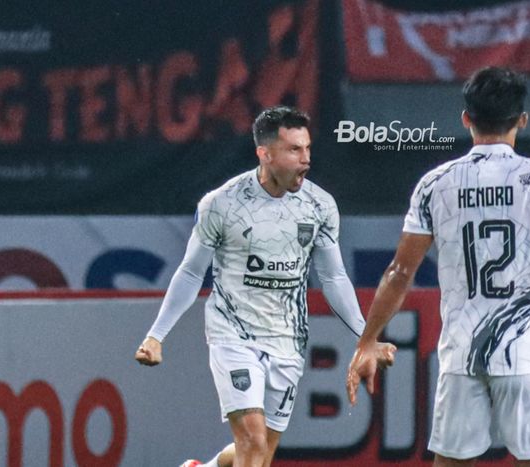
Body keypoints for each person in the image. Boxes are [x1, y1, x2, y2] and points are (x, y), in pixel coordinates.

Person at [346, 67, 530, 467]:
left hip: (462, 356)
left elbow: (398, 273)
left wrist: (368, 340)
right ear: (522, 120)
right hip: (527, 356)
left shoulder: (435, 184)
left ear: (466, 119)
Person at [135, 105, 396, 467]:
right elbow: (192, 272)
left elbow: (334, 277)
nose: (305, 160)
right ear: (265, 154)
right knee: (253, 441)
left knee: (258, 452)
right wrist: (156, 335)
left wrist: (364, 338)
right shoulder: (221, 204)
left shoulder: (319, 206)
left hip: (288, 342)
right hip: (234, 336)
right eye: (294, 150)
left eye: (307, 149)